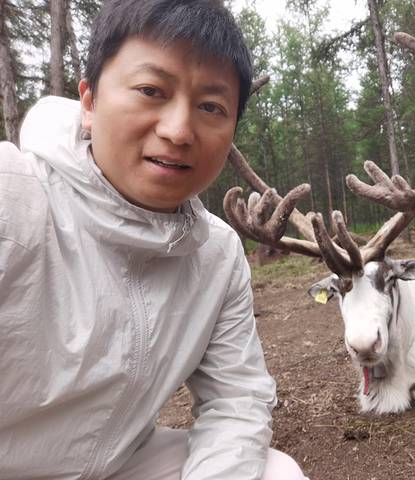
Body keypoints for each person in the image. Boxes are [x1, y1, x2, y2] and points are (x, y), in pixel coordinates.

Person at [0, 1, 308, 479]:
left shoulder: (217, 255)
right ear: (89, 102)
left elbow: (236, 400)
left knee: (274, 473)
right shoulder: (13, 197)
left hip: (122, 464)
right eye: (150, 90)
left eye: (211, 107)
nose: (179, 130)